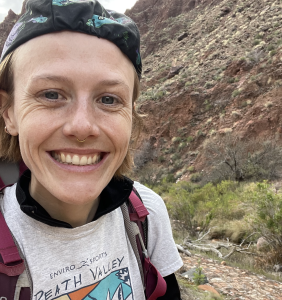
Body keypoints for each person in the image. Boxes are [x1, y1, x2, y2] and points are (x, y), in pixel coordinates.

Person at [0, 0, 183, 299]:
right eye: (51, 94)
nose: (82, 126)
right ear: (9, 112)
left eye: (109, 99)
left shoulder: (146, 214)